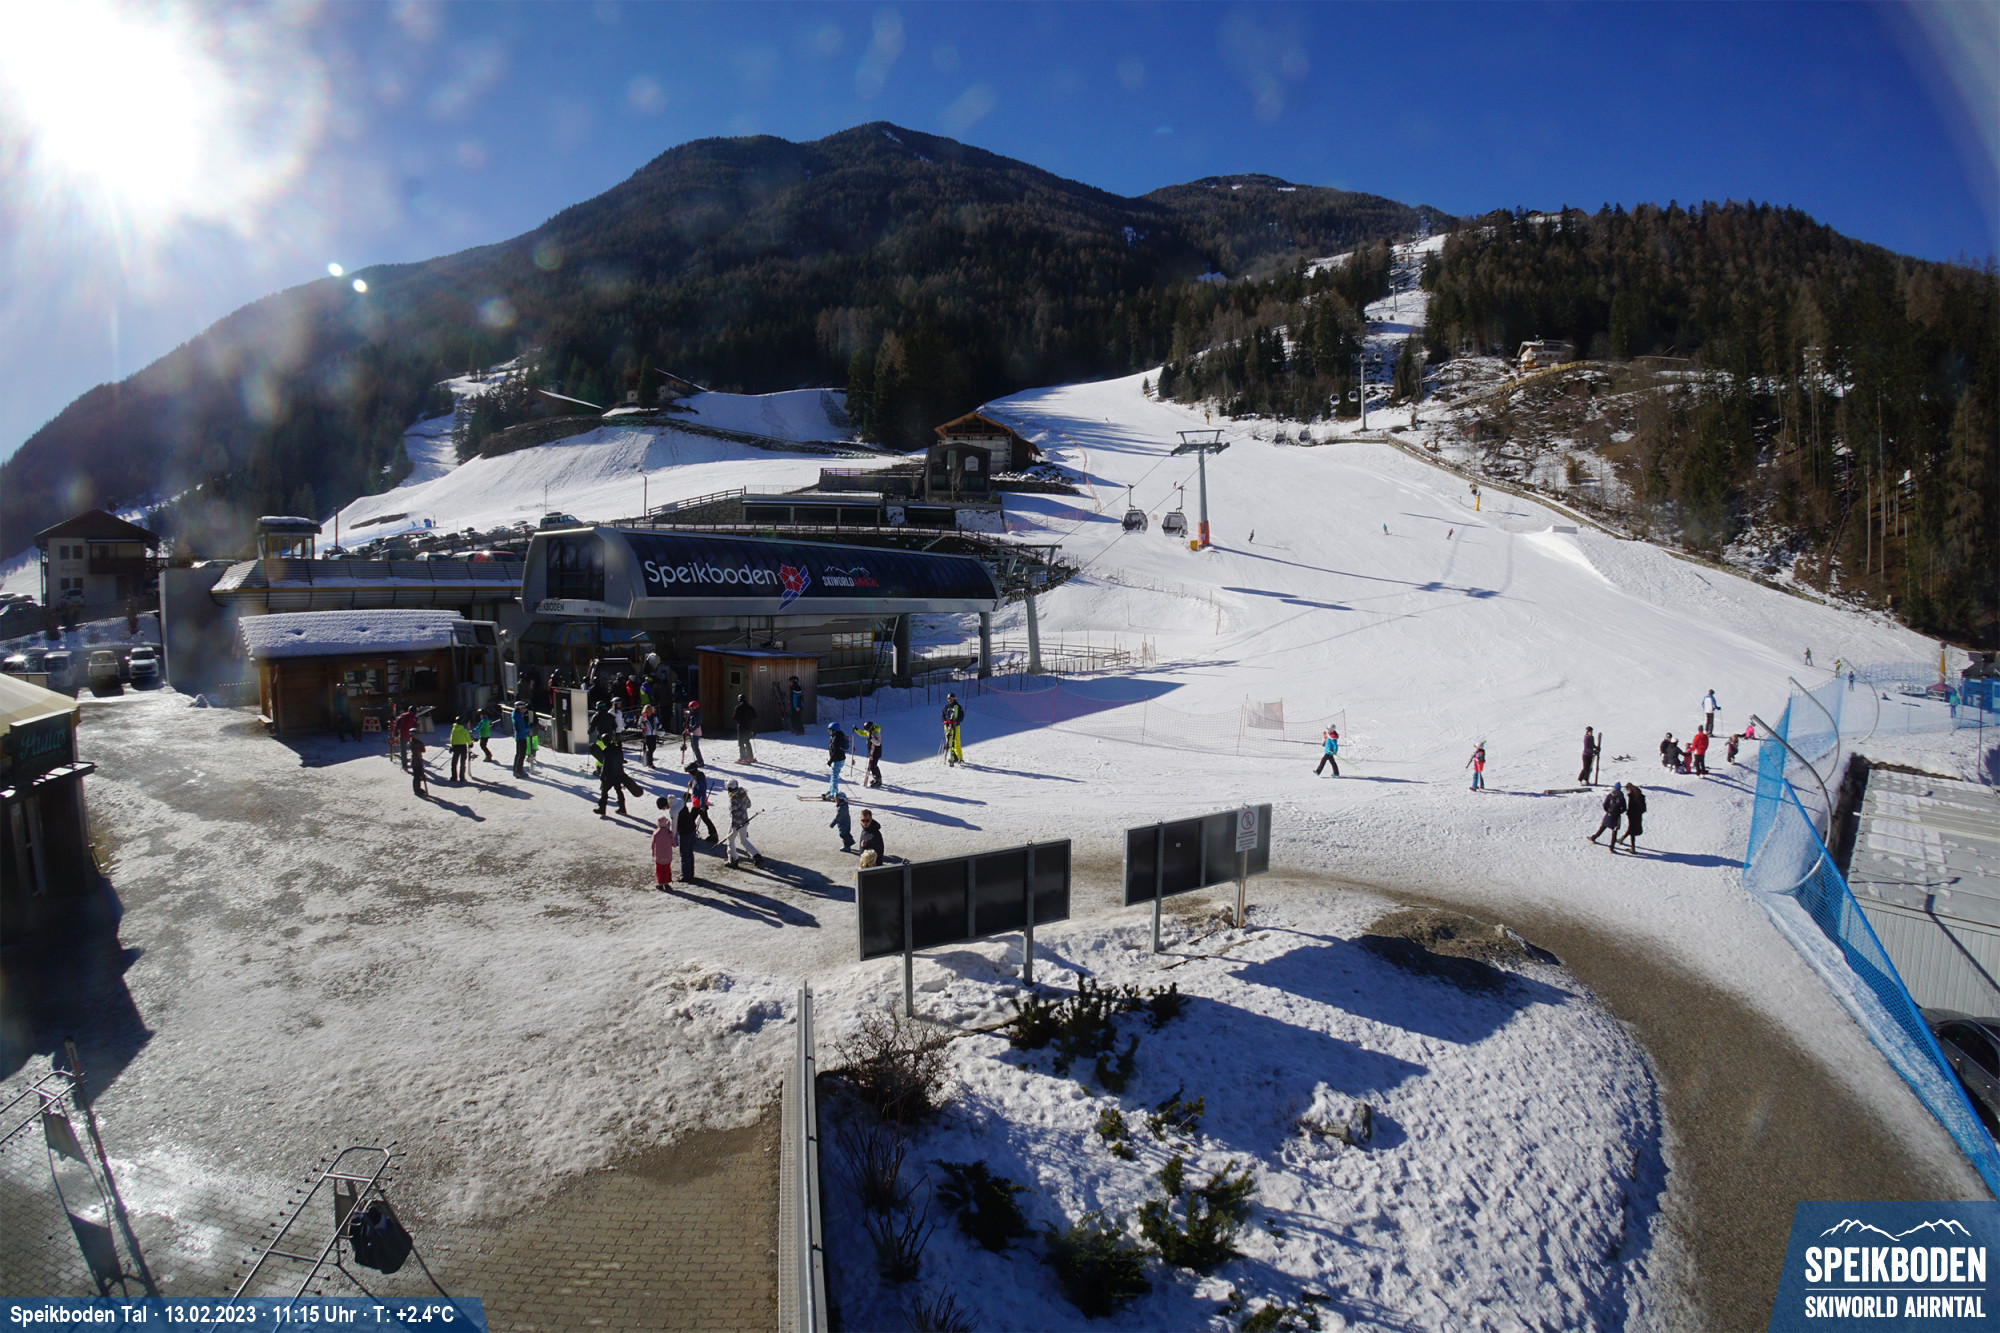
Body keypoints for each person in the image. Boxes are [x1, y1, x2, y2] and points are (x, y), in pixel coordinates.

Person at [723, 780, 763, 869]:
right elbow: (749, 804)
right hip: (744, 820)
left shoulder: (733, 797)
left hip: (736, 822)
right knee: (744, 840)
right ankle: (756, 855)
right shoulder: (743, 793)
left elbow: (733, 810)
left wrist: (734, 824)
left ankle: (733, 859)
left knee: (730, 840)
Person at [596, 732, 632, 817]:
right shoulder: (617, 749)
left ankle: (602, 809)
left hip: (609, 776)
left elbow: (606, 765)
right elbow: (621, 761)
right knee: (619, 791)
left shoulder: (606, 751)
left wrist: (602, 776)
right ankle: (622, 808)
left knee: (604, 792)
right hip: (618, 774)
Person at [684, 763, 719, 842]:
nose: (689, 774)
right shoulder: (696, 777)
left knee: (691, 819)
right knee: (704, 819)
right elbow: (696, 790)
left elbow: (702, 793)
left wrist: (702, 805)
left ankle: (691, 834)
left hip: (699, 804)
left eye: (689, 772)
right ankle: (713, 834)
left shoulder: (699, 781)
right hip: (697, 803)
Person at [1587, 783, 1626, 851]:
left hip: (1609, 814)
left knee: (1603, 826)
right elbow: (1624, 808)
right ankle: (1611, 847)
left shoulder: (1610, 795)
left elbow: (1605, 805)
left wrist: (1608, 811)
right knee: (1614, 832)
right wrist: (1619, 812)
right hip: (1616, 816)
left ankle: (1593, 837)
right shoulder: (1621, 796)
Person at [674, 791, 700, 884]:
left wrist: (672, 836)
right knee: (689, 853)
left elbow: (674, 824)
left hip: (684, 832)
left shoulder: (674, 809)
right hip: (691, 829)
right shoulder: (681, 804)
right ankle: (690, 873)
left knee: (684, 854)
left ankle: (685, 875)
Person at [651, 810, 677, 889]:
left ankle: (660, 883)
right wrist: (674, 844)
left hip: (659, 856)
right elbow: (673, 843)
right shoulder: (669, 833)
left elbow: (653, 844)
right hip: (667, 856)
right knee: (667, 869)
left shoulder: (656, 833)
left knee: (659, 870)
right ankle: (666, 882)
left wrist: (653, 853)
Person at [826, 721, 850, 797]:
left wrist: (830, 761)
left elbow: (836, 751)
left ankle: (834, 793)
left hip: (837, 760)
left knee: (834, 777)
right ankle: (832, 790)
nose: (829, 732)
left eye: (830, 730)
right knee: (833, 776)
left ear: (834, 730)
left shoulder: (836, 738)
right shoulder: (836, 736)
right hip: (838, 759)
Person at [1621, 783, 1647, 853]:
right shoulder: (1640, 796)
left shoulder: (1632, 797)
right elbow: (1644, 808)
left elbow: (1631, 807)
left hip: (1632, 815)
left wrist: (1629, 813)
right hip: (1638, 815)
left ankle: (1633, 849)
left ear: (1629, 789)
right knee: (1631, 828)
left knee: (1632, 830)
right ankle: (1622, 839)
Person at [734, 693, 758, 764]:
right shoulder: (749, 707)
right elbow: (755, 715)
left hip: (741, 727)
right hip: (748, 727)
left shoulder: (738, 707)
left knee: (741, 743)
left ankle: (743, 758)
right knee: (747, 741)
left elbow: (735, 717)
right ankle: (750, 757)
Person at [941, 693, 965, 766]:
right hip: (947, 726)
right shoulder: (946, 707)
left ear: (954, 699)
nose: (950, 700)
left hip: (955, 726)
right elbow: (943, 715)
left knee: (956, 741)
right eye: (949, 699)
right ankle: (953, 756)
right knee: (948, 741)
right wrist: (944, 721)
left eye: (951, 699)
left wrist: (956, 721)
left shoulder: (958, 707)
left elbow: (961, 717)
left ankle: (959, 757)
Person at [512, 700, 533, 777]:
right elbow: (522, 729)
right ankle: (519, 771)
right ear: (519, 708)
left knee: (518, 754)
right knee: (522, 754)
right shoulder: (518, 717)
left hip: (519, 736)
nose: (523, 710)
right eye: (523, 708)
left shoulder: (515, 715)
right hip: (521, 736)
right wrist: (530, 727)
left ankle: (516, 770)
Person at [448, 715, 472, 783]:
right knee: (462, 762)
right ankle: (462, 777)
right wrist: (470, 743)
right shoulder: (464, 730)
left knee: (454, 762)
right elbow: (468, 738)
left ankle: (454, 777)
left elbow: (452, 738)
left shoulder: (454, 729)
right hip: (463, 747)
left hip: (455, 747)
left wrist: (452, 745)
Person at [394, 705, 418, 770]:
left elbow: (397, 722)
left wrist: (396, 731)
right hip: (412, 735)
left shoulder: (403, 716)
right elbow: (416, 726)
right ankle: (415, 762)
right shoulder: (414, 718)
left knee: (403, 750)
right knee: (414, 749)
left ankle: (404, 764)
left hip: (403, 734)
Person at [638, 704, 662, 768]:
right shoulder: (643, 716)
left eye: (651, 709)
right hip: (647, 734)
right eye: (649, 709)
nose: (650, 711)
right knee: (650, 748)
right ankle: (650, 763)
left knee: (653, 747)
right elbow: (639, 723)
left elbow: (657, 722)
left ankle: (648, 758)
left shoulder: (654, 716)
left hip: (653, 733)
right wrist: (642, 726)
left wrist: (659, 726)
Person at [861, 721, 884, 788]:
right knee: (871, 766)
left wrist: (871, 738)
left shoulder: (876, 733)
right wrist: (857, 730)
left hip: (876, 752)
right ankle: (875, 778)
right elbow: (862, 733)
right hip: (871, 752)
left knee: (873, 766)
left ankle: (878, 780)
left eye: (867, 729)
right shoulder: (869, 732)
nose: (866, 731)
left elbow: (878, 743)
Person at [681, 699, 704, 765]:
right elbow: (690, 721)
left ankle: (700, 761)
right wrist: (686, 724)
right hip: (692, 731)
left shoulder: (697, 714)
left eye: (691, 707)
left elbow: (697, 724)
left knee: (695, 747)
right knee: (693, 746)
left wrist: (690, 730)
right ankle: (698, 759)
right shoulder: (692, 713)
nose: (690, 709)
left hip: (696, 732)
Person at [408, 728, 429, 797]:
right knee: (417, 776)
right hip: (415, 761)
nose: (416, 735)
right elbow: (421, 749)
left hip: (418, 760)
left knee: (420, 775)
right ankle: (417, 790)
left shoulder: (415, 742)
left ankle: (418, 789)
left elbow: (423, 750)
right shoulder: (413, 742)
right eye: (415, 734)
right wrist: (420, 744)